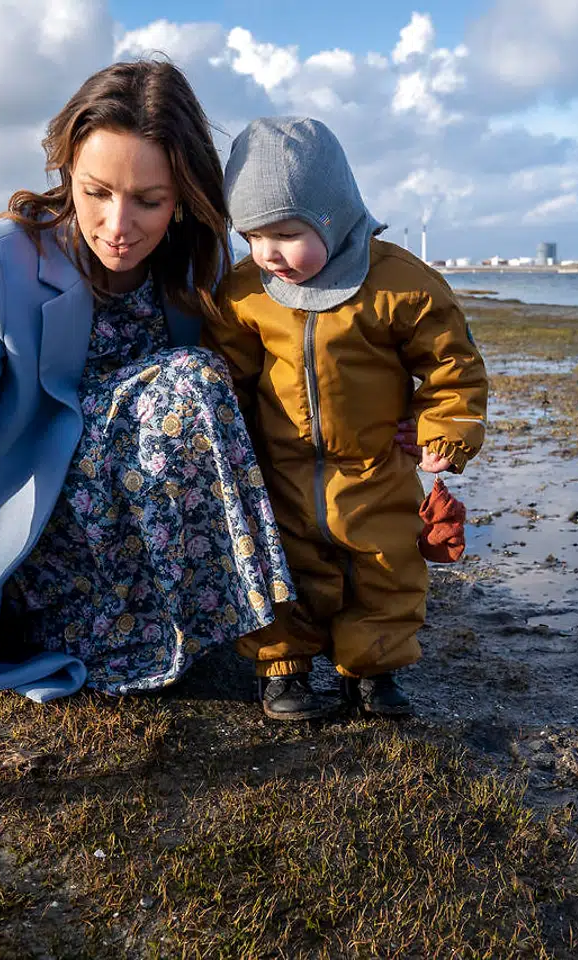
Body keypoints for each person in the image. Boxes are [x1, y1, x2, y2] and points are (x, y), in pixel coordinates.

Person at [0, 62, 293, 802]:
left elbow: (287, 379)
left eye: (149, 201)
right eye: (96, 192)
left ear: (186, 200)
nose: (119, 227)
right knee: (187, 382)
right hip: (39, 549)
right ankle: (100, 628)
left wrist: (389, 429)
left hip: (152, 540)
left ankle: (196, 619)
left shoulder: (205, 269)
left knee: (201, 377)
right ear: (66, 169)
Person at [206, 117, 489, 721]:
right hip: (279, 471)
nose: (268, 254)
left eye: (285, 233)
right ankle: (283, 667)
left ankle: (374, 670)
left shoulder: (399, 285)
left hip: (374, 469)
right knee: (284, 567)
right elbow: (229, 371)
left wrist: (445, 431)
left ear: (331, 215)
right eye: (252, 236)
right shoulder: (247, 292)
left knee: (388, 568)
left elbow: (451, 368)